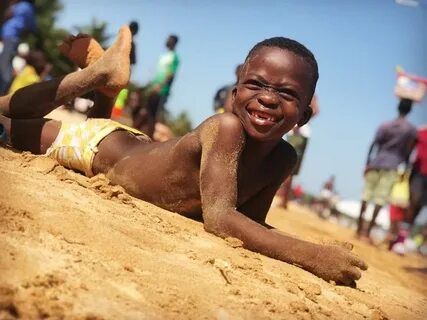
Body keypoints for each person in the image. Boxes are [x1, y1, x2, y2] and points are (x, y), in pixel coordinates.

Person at [0, 27, 367, 286]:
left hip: (135, 145)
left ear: (303, 115)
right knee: (6, 122)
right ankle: (95, 75)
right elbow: (221, 220)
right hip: (97, 147)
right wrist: (314, 256)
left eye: (286, 93)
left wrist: (320, 249)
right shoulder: (225, 128)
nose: (268, 98)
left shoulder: (283, 158)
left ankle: (108, 87)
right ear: (235, 93)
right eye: (255, 85)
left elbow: (248, 225)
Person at [357, 99, 417, 240]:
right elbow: (409, 152)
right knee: (380, 198)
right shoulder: (410, 130)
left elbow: (373, 145)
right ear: (410, 111)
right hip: (393, 166)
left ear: (397, 107)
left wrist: (368, 163)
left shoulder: (385, 125)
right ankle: (367, 232)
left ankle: (359, 228)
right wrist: (406, 168)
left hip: (376, 162)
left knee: (366, 196)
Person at [133, 34, 180, 138]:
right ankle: (136, 131)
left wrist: (160, 86)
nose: (167, 41)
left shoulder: (174, 57)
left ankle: (149, 138)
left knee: (152, 116)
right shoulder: (163, 56)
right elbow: (157, 72)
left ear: (174, 42)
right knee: (145, 110)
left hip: (161, 90)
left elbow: (170, 74)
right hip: (153, 88)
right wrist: (148, 85)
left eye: (169, 40)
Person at [0, 0, 37, 94]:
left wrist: (11, 5)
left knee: (4, 64)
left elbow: (8, 14)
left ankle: (2, 91)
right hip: (12, 37)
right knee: (5, 63)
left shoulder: (23, 5)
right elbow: (32, 27)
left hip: (11, 37)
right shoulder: (28, 7)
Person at [407, 125, 427, 226]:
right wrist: (405, 164)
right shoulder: (421, 131)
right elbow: (409, 147)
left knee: (421, 205)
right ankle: (401, 232)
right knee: (414, 200)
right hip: (418, 172)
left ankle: (405, 232)